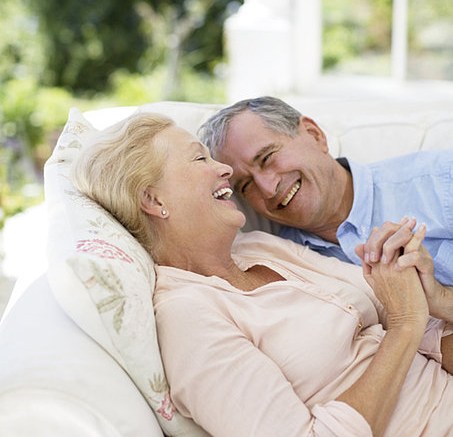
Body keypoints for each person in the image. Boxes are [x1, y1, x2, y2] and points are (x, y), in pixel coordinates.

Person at [72, 111, 453, 437]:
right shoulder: (187, 317)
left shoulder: (259, 246)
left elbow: (420, 325)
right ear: (154, 200)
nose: (223, 170)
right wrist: (404, 327)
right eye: (199, 160)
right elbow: (405, 322)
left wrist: (425, 300)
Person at [199, 96, 453, 285]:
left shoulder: (441, 178)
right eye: (246, 185)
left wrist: (442, 300)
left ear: (314, 134)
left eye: (267, 158)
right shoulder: (283, 265)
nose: (267, 188)